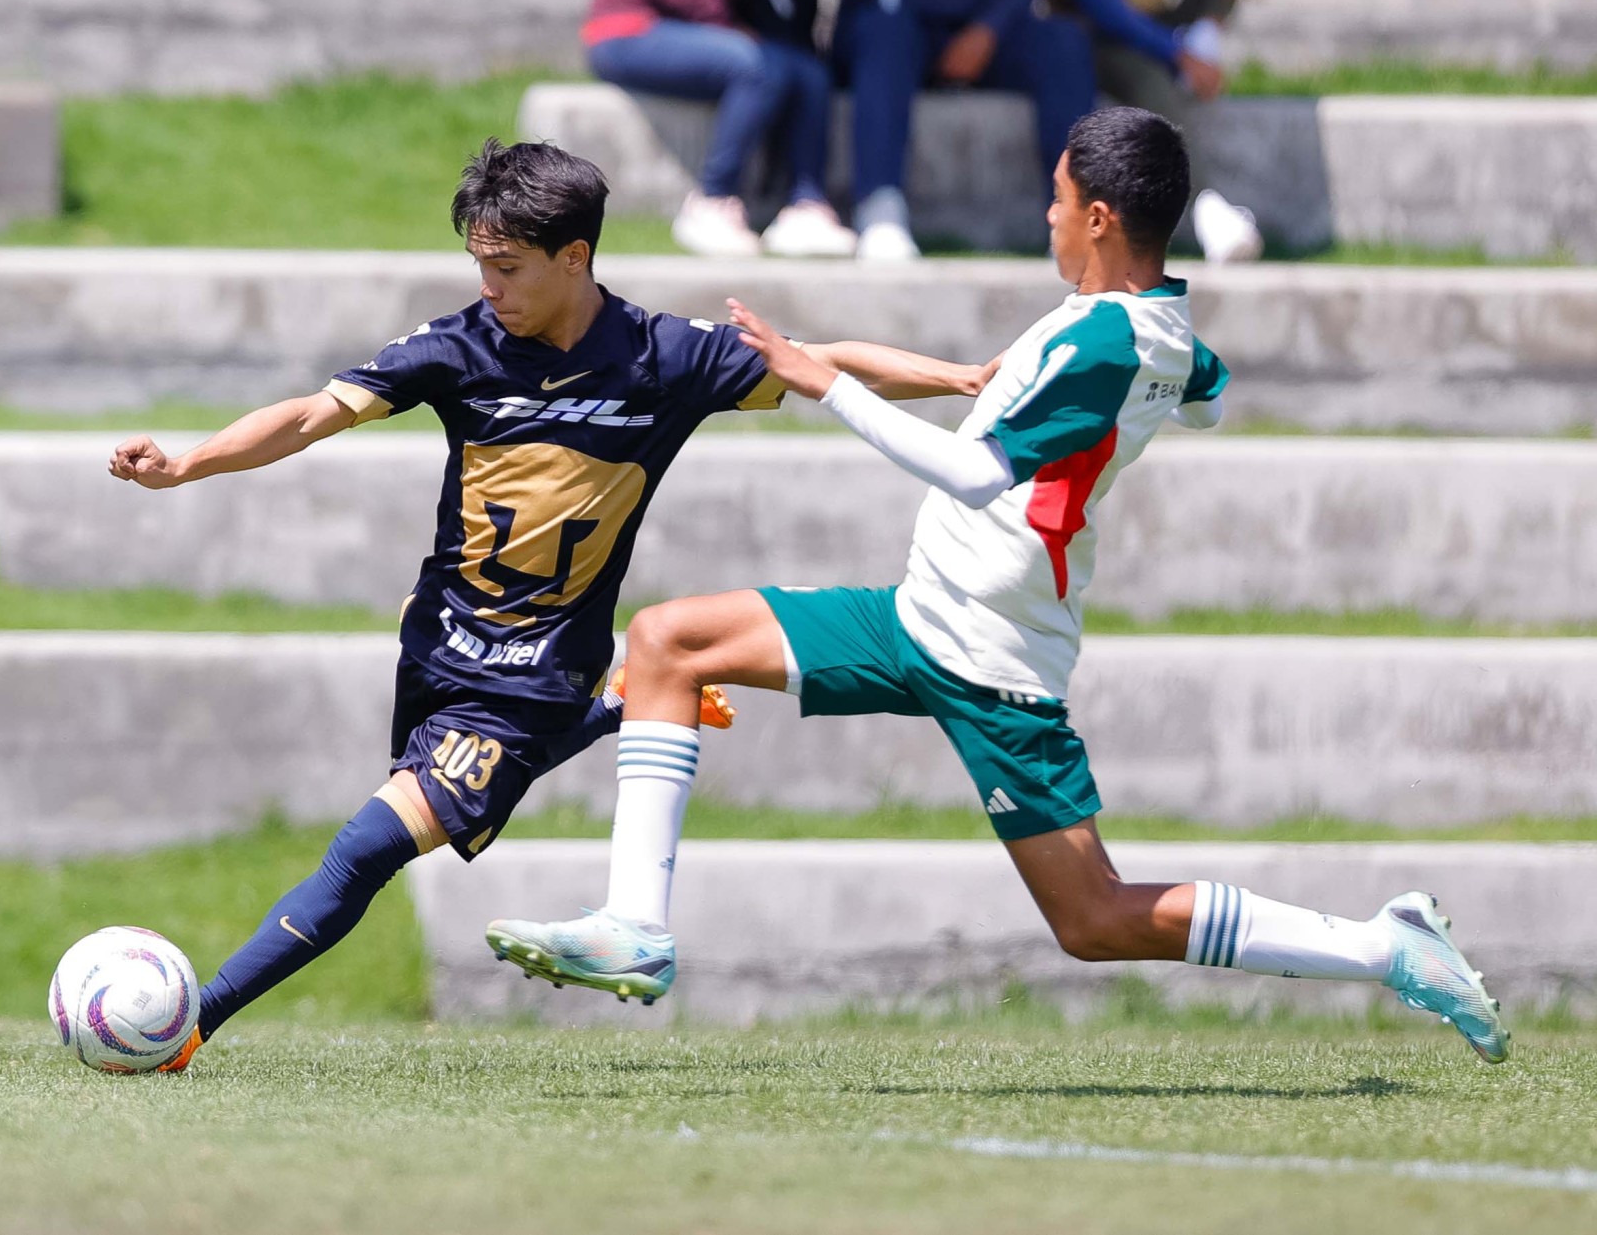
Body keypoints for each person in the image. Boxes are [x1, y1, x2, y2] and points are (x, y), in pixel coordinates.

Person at [485, 109, 1510, 1064]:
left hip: (991, 655)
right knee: (668, 641)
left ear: (1099, 219)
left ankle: (1384, 946)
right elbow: (1208, 395)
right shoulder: (1155, 328)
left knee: (1095, 920)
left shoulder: (1100, 337)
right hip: (924, 614)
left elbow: (975, 475)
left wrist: (821, 380)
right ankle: (636, 928)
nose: (1046, 216)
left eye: (1058, 200)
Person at [106, 139, 991, 1069]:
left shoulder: (662, 357)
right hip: (436, 648)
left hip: (532, 677)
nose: (489, 287)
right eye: (479, 265)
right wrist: (187, 463)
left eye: (508, 268)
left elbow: (824, 365)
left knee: (366, 848)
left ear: (575, 257)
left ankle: (189, 1024)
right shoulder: (458, 347)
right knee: (406, 819)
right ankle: (613, 707)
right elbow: (309, 413)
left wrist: (966, 379)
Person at [584, 0, 857, 257]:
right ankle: (711, 200)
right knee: (757, 66)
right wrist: (733, 29)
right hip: (628, 31)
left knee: (809, 73)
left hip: (707, 34)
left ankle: (806, 205)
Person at [832, 0, 1096, 262]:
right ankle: (880, 209)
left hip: (984, 21)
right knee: (884, 34)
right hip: (893, 17)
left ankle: (1073, 216)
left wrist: (988, 28)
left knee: (1063, 43)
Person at [1087, 0, 1270, 260]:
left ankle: (1204, 40)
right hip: (1094, 27)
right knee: (1149, 80)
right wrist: (1178, 54)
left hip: (1157, 16)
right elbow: (1099, 5)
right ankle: (1206, 205)